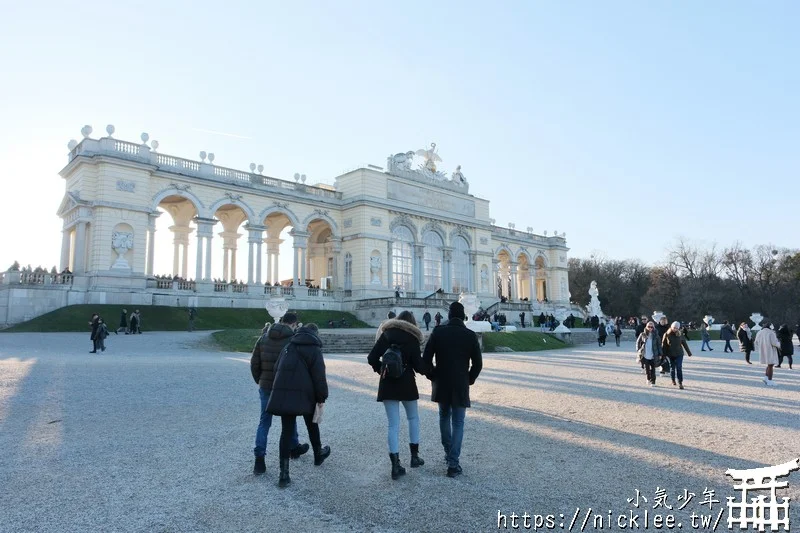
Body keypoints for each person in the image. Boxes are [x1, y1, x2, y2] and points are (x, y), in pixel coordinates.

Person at [422, 302, 482, 478]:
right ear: (463, 316)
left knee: (443, 417)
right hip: (460, 383)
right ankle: (453, 463)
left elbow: (426, 360)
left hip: (442, 382)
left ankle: (448, 453)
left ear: (448, 316)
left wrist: (433, 375)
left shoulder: (438, 332)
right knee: (458, 423)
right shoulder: (470, 335)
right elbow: (478, 364)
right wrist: (469, 379)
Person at [267, 323, 331, 487]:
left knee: (286, 432)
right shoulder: (314, 349)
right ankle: (318, 455)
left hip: (285, 394)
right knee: (312, 425)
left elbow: (276, 369)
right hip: (306, 394)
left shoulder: (289, 346)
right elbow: (319, 376)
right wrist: (322, 396)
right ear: (315, 333)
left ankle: (284, 474)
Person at [367, 310, 427, 480]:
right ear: (412, 322)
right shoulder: (412, 338)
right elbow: (420, 367)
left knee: (393, 424)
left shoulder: (386, 334)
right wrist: (433, 372)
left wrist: (381, 370)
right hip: (407, 382)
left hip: (387, 384)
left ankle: (395, 465)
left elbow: (371, 357)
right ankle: (414, 457)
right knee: (413, 418)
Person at [250, 313, 310, 475]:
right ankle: (293, 446)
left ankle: (259, 460)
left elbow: (254, 363)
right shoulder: (292, 340)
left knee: (264, 422)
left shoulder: (263, 338)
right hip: (284, 386)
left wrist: (260, 380)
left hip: (265, 386)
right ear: (293, 324)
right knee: (289, 418)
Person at [662, 321, 693, 389]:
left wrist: (689, 352)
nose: (675, 329)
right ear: (671, 327)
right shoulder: (667, 334)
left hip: (679, 354)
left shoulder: (680, 334)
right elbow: (664, 345)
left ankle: (680, 382)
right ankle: (673, 380)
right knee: (672, 368)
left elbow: (684, 344)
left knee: (679, 368)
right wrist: (663, 355)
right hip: (670, 354)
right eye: (674, 327)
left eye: (676, 328)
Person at [754, 322, 780, 386]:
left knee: (769, 364)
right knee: (771, 365)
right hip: (770, 350)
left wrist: (761, 346)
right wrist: (779, 344)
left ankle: (766, 378)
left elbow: (756, 342)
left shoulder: (760, 332)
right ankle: (770, 381)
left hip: (763, 350)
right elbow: (774, 343)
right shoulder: (771, 333)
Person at [636, 321, 662, 386]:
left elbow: (659, 345)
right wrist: (639, 350)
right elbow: (638, 342)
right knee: (647, 369)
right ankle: (648, 378)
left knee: (653, 369)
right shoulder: (643, 334)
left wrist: (660, 354)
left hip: (653, 354)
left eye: (652, 327)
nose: (650, 328)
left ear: (654, 327)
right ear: (646, 327)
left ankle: (653, 381)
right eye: (649, 326)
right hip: (645, 354)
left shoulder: (656, 335)